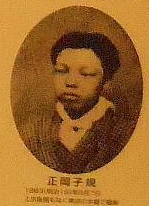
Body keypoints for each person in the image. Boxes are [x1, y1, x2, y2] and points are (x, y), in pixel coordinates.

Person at [18, 30, 137, 174]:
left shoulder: (124, 133)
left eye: (86, 74)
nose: (70, 82)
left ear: (106, 81)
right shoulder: (32, 131)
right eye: (61, 71)